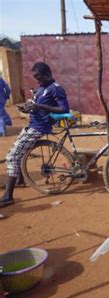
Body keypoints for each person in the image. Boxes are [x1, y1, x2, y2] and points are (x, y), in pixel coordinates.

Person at [0, 62, 69, 210]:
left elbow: (64, 108)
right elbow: (36, 107)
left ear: (48, 74)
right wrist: (28, 108)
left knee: (12, 156)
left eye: (39, 77)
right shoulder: (41, 89)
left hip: (39, 127)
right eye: (35, 78)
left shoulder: (56, 89)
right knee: (19, 152)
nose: (37, 80)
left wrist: (40, 106)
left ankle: (7, 197)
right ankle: (18, 180)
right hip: (32, 125)